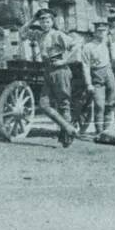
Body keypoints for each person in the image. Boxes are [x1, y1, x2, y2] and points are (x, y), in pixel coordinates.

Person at [21, 8, 81, 147]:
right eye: (42, 21)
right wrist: (32, 19)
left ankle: (67, 138)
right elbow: (22, 32)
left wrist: (65, 61)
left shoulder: (58, 34)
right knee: (44, 104)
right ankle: (69, 128)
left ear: (52, 22)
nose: (44, 23)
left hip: (60, 70)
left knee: (63, 104)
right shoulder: (39, 35)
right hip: (48, 70)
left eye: (47, 21)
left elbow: (76, 45)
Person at [81, 21, 115, 135]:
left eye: (104, 31)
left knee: (110, 103)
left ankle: (107, 130)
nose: (102, 33)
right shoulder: (88, 47)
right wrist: (88, 84)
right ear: (95, 32)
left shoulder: (108, 43)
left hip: (109, 73)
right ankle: (99, 132)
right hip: (96, 75)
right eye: (99, 31)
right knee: (99, 105)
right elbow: (86, 66)